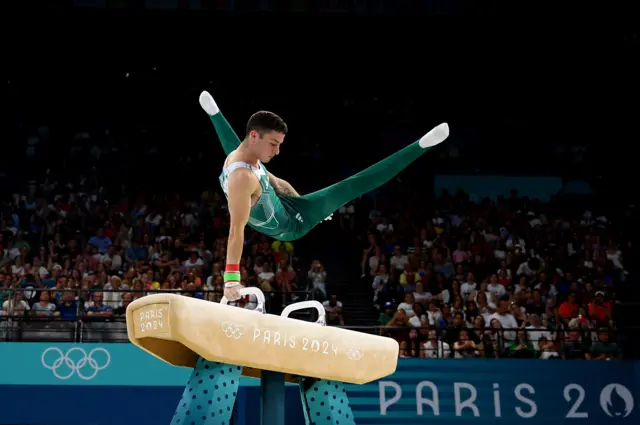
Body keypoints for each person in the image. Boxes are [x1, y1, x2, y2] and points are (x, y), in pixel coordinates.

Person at [199, 91, 449, 300]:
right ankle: (420, 146)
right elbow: (235, 231)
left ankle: (214, 114)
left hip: (292, 206)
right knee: (352, 185)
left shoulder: (246, 158)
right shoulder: (242, 178)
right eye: (274, 144)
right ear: (255, 135)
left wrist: (305, 203)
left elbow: (273, 181)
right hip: (289, 227)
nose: (277, 151)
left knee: (236, 149)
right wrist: (231, 280)